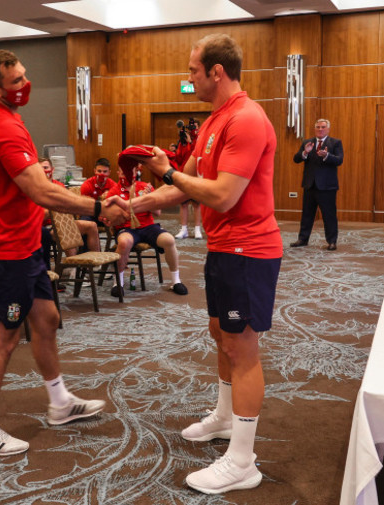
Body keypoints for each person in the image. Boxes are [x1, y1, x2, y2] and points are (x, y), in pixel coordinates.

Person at [114, 34, 282, 494]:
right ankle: (226, 417)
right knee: (222, 336)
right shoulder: (213, 123)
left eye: (192, 71)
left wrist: (166, 170)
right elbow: (186, 187)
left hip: (248, 249)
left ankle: (243, 461)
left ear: (216, 72)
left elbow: (223, 194)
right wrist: (137, 204)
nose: (187, 79)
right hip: (223, 248)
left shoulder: (246, 119)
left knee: (243, 348)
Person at [0, 49, 127, 456]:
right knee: (2, 339)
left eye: (24, 75)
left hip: (24, 244)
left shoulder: (7, 118)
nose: (25, 84)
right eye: (16, 80)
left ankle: (59, 403)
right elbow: (39, 190)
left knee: (47, 318)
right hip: (6, 251)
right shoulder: (0, 125)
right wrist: (96, 208)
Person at [106, 163, 188, 298]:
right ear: (118, 173)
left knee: (169, 240)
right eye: (123, 172)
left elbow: (157, 213)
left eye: (129, 172)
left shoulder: (145, 187)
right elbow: (112, 218)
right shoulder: (114, 191)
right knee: (124, 243)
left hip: (148, 227)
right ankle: (118, 283)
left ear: (136, 173)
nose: (126, 175)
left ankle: (176, 281)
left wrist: (149, 199)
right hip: (127, 228)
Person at [290, 119, 344, 251]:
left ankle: (332, 241)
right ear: (315, 129)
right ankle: (302, 239)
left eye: (323, 127)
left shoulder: (335, 143)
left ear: (328, 129)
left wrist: (327, 156)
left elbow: (339, 160)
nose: (320, 129)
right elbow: (296, 159)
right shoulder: (307, 143)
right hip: (310, 185)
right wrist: (305, 152)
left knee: (329, 215)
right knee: (307, 214)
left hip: (327, 187)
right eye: (318, 127)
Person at [174, 119, 203, 240]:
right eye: (190, 127)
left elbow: (197, 154)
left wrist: (191, 143)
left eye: (194, 127)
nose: (192, 129)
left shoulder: (200, 140)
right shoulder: (182, 141)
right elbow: (179, 159)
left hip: (195, 175)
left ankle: (197, 229)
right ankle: (184, 229)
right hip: (183, 175)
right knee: (184, 203)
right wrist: (183, 144)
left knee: (196, 204)